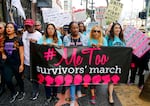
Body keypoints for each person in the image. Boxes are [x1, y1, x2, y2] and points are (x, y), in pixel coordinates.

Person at [63, 21, 88, 106]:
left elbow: (87, 49)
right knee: (72, 80)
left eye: (77, 27)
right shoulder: (66, 38)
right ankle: (73, 99)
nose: (75, 29)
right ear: (70, 29)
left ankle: (78, 89)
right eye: (73, 28)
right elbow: (64, 50)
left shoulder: (84, 37)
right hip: (71, 63)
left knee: (79, 78)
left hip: (81, 62)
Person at [37, 23, 62, 105]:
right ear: (46, 30)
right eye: (48, 28)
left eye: (52, 28)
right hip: (45, 64)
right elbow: (37, 48)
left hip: (55, 63)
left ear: (54, 30)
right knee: (47, 80)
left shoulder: (58, 39)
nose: (50, 30)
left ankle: (54, 95)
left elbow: (62, 48)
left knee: (56, 80)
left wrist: (54, 45)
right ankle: (48, 97)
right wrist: (43, 44)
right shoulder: (42, 39)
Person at [3, 22, 25, 103]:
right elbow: (2, 49)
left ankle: (22, 91)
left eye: (11, 27)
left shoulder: (18, 40)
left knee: (19, 79)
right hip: (7, 63)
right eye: (7, 27)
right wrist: (3, 54)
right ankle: (13, 92)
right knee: (7, 79)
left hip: (17, 63)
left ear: (14, 29)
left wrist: (22, 65)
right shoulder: (4, 39)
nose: (8, 29)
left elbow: (21, 53)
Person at [105, 22, 125, 104]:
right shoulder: (109, 38)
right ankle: (110, 96)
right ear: (113, 29)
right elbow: (104, 46)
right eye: (116, 28)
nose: (118, 29)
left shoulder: (122, 39)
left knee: (114, 79)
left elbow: (125, 49)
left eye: (119, 28)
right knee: (111, 79)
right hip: (111, 62)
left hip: (119, 62)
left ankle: (109, 90)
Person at [22, 19, 42, 100]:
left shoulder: (39, 35)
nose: (28, 28)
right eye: (26, 26)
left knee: (34, 77)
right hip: (26, 60)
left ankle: (35, 90)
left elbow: (42, 48)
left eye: (29, 26)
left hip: (35, 60)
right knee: (27, 76)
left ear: (33, 26)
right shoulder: (24, 34)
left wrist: (36, 42)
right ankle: (36, 84)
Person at [88, 25, 108, 104]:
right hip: (92, 62)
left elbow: (108, 51)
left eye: (98, 31)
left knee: (97, 78)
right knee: (92, 78)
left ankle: (95, 88)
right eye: (94, 31)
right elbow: (85, 50)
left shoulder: (104, 40)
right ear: (92, 32)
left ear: (100, 32)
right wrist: (91, 46)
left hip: (101, 62)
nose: (96, 33)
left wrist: (101, 46)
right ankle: (93, 95)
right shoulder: (89, 40)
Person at [0, 22, 6, 96]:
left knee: (2, 72)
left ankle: (2, 86)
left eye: (0, 28)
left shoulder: (6, 38)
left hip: (3, 57)